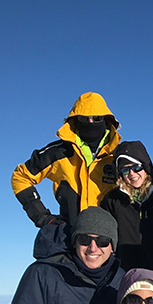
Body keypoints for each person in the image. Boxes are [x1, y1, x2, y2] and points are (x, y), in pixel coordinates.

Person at [11, 92, 122, 228]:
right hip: (69, 234)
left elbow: (142, 187)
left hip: (110, 240)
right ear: (75, 120)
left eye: (97, 117)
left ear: (106, 120)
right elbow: (20, 177)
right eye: (83, 118)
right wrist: (41, 216)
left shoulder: (119, 155)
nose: (90, 122)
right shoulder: (57, 152)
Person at [100, 141, 153, 299]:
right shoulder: (112, 201)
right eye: (125, 170)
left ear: (146, 167)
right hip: (125, 281)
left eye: (136, 167)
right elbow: (105, 242)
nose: (132, 174)